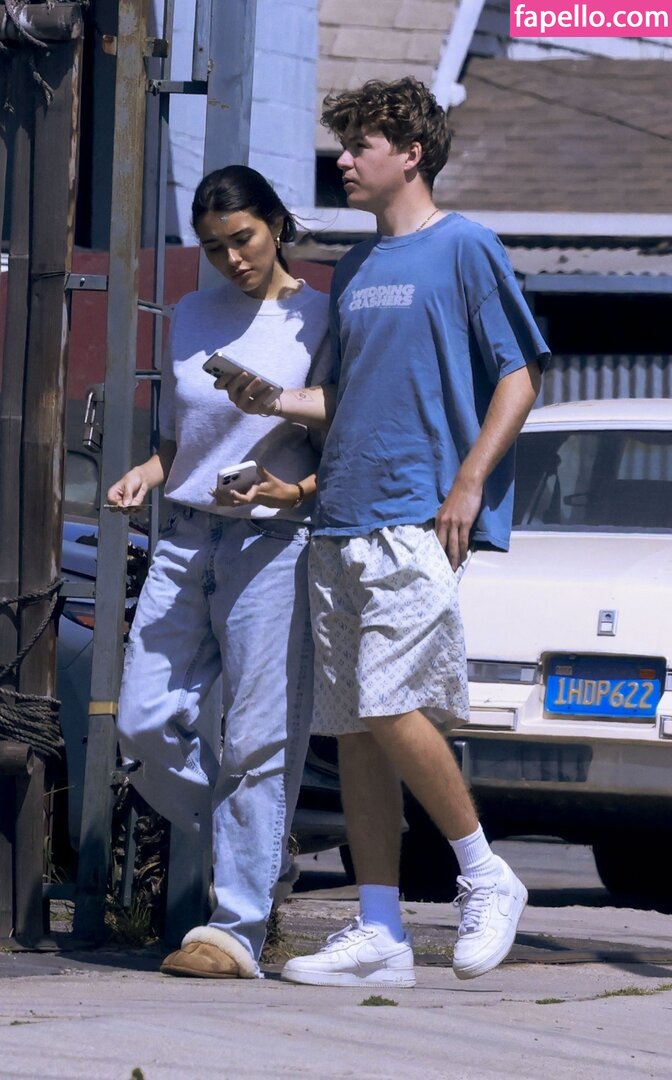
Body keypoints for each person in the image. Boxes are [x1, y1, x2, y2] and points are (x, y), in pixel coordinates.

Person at [219, 77, 548, 988]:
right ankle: (380, 930)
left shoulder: (464, 246)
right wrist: (271, 400)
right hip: (337, 520)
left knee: (389, 705)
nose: (344, 160)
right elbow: (346, 398)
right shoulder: (357, 267)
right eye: (345, 144)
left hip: (416, 517)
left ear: (411, 153)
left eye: (361, 144)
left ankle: (485, 872)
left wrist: (468, 483)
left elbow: (520, 377)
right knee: (356, 730)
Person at [107, 165, 330, 980]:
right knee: (141, 722)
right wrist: (146, 473)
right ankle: (259, 842)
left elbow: (347, 425)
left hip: (273, 540)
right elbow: (184, 440)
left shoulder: (319, 317)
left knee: (257, 738)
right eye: (213, 248)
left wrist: (292, 489)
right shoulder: (192, 315)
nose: (232, 258)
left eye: (243, 238)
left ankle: (235, 927)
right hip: (185, 536)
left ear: (277, 225)